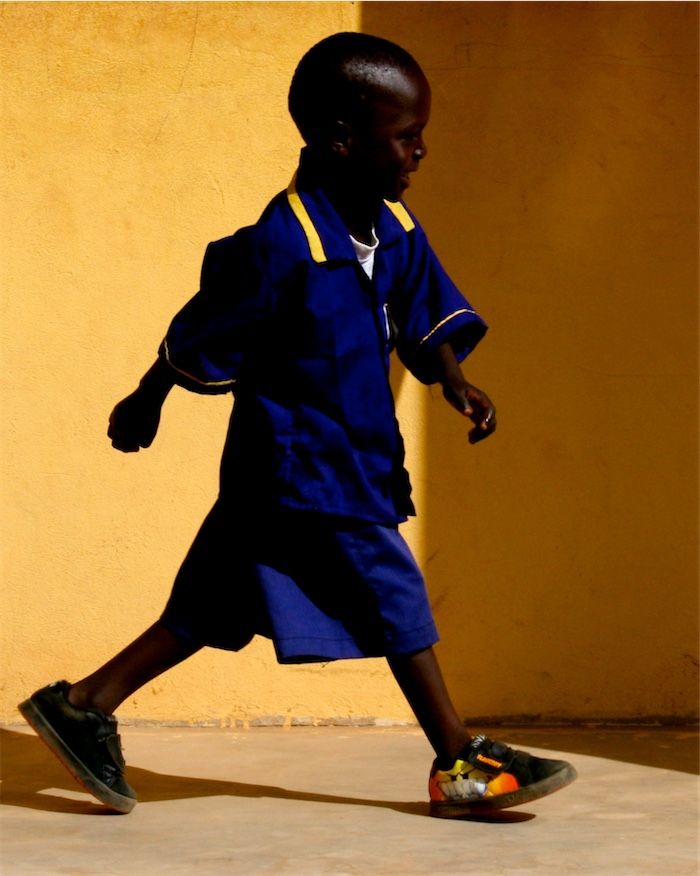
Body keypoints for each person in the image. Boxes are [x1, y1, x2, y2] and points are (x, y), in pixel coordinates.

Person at [19, 32, 576, 819]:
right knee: (393, 591)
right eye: (406, 137)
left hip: (342, 457)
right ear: (343, 140)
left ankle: (85, 704)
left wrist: (453, 375)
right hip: (301, 463)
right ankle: (458, 761)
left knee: (214, 604)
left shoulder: (393, 226)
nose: (420, 151)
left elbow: (421, 304)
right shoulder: (285, 243)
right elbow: (209, 326)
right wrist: (149, 395)